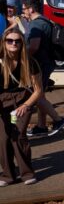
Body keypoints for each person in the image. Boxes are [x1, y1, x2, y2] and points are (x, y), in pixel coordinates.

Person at [0, 27, 44, 186]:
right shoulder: (0, 61)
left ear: (22, 43)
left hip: (22, 100)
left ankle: (27, 173)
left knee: (18, 136)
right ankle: (8, 175)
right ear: (4, 43)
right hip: (2, 101)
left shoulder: (30, 62)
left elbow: (38, 91)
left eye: (17, 41)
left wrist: (26, 105)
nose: (13, 44)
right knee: (4, 138)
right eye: (10, 40)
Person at [23, 0, 64, 138]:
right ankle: (41, 126)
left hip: (38, 64)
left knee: (35, 95)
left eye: (24, 8)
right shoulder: (46, 21)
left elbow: (34, 46)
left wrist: (22, 57)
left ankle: (58, 120)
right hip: (47, 62)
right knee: (41, 94)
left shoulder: (36, 24)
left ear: (31, 9)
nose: (23, 11)